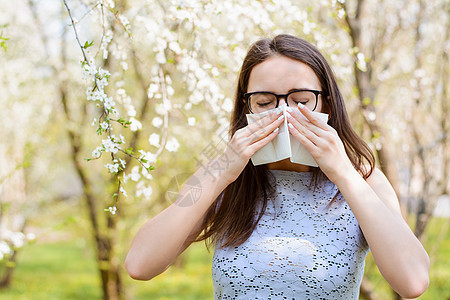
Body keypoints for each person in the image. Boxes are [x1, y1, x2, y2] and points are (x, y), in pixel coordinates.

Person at [125, 34, 429, 299]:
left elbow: (413, 281)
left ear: (327, 104)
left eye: (300, 100)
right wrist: (221, 172)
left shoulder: (364, 180)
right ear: (247, 107)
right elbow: (140, 264)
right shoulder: (222, 178)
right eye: (265, 102)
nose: (283, 114)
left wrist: (343, 173)